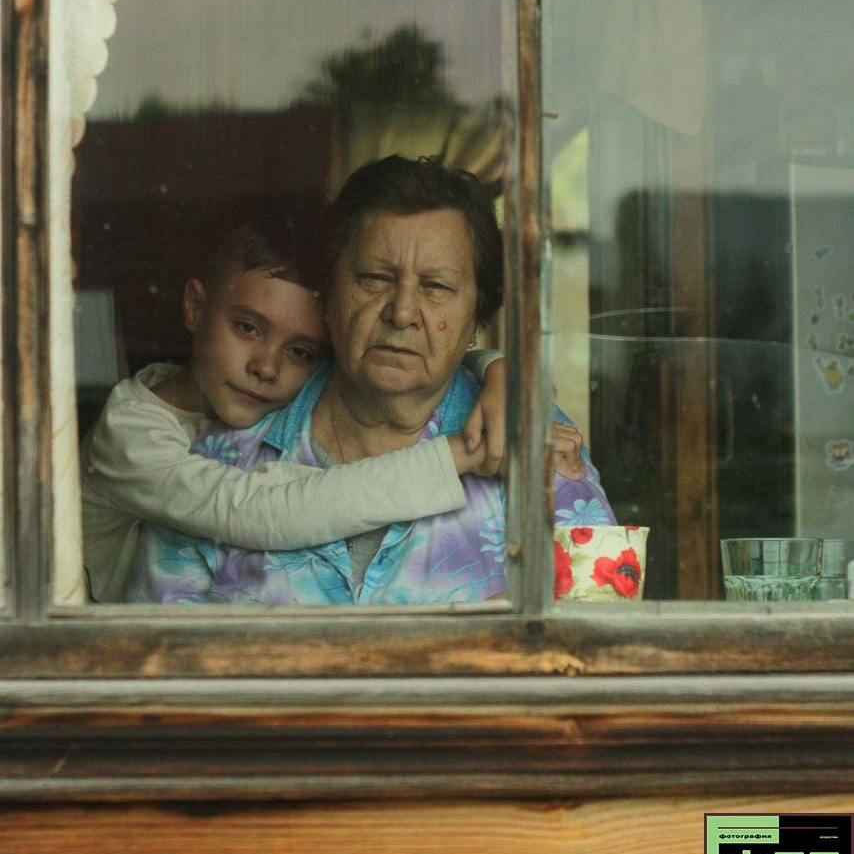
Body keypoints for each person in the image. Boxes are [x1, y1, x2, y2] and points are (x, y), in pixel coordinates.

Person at [127, 156, 615, 605]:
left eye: (436, 287)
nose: (401, 312)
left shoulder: (531, 436)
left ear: (477, 317)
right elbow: (157, 660)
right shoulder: (224, 458)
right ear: (330, 294)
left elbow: (600, 636)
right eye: (375, 278)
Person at [81, 218, 509, 603]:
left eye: (301, 352)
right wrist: (457, 454)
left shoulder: (228, 402)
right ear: (195, 307)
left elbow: (412, 353)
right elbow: (266, 511)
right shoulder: (131, 433)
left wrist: (498, 371)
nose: (266, 367)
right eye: (247, 328)